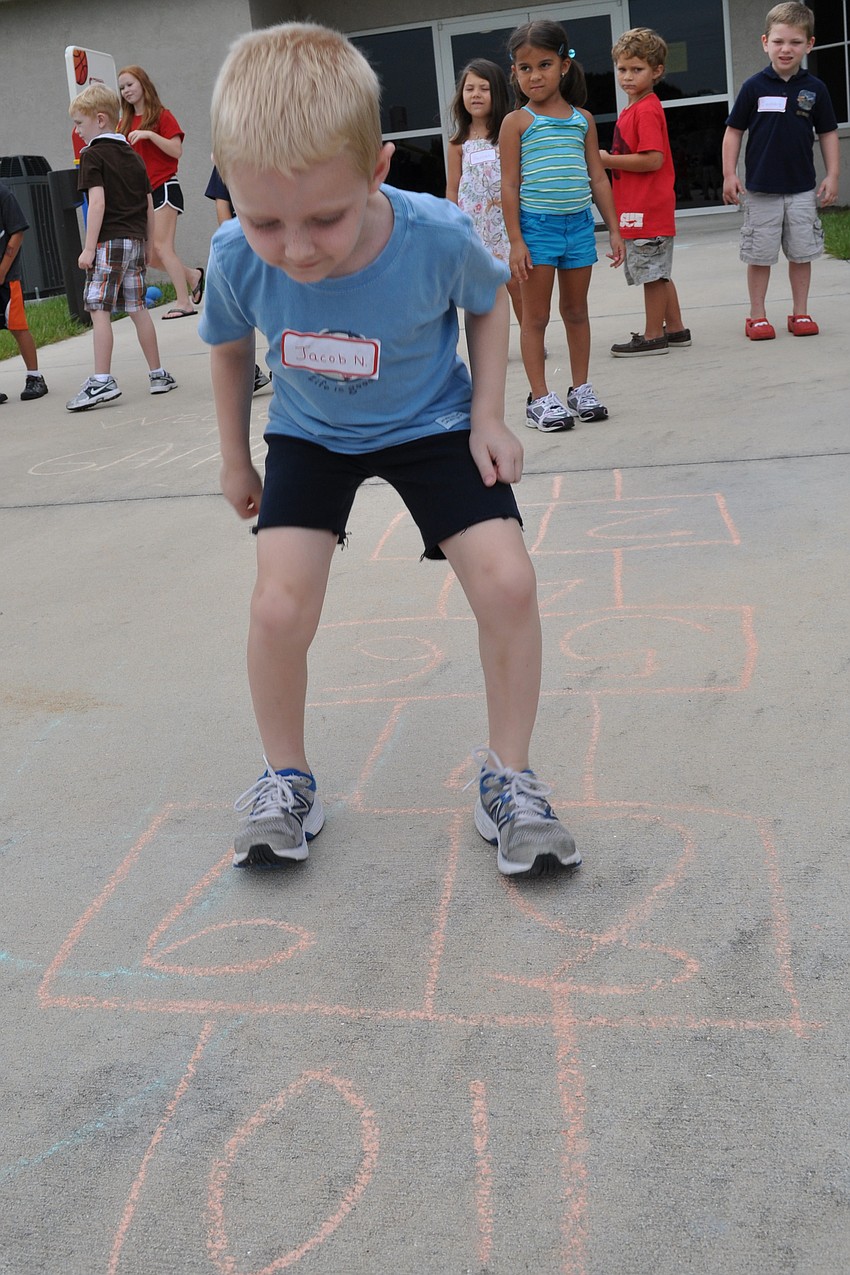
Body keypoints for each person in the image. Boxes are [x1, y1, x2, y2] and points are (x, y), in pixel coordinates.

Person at [199, 22, 581, 879]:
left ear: (377, 169)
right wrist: (234, 455)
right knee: (276, 607)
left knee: (508, 579)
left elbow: (487, 304)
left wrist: (490, 413)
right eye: (266, 221)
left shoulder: (436, 232)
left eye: (325, 219)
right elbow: (227, 347)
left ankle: (509, 777)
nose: (296, 250)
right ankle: (285, 779)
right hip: (310, 432)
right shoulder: (233, 255)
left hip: (432, 422)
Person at [499, 20, 624, 432]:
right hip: (536, 230)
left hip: (578, 227)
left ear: (565, 66)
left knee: (575, 311)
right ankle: (539, 398)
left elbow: (598, 178)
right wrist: (516, 240)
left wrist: (615, 228)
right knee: (534, 318)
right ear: (515, 73)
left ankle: (580, 388)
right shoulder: (516, 122)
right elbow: (510, 184)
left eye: (545, 64)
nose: (535, 75)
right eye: (525, 68)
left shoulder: (582, 120)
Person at [721, 2, 839, 340]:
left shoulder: (816, 89)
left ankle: (800, 312)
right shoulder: (754, 86)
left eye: (795, 42)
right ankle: (757, 315)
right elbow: (733, 132)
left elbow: (828, 132)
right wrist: (730, 174)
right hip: (760, 189)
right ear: (764, 42)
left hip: (802, 188)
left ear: (809, 44)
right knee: (760, 254)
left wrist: (833, 175)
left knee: (802, 254)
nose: (786, 49)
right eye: (778, 41)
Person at [65, 84, 178, 411]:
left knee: (98, 308)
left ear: (100, 120)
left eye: (79, 123)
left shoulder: (92, 155)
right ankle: (158, 374)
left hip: (109, 242)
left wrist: (89, 249)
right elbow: (147, 206)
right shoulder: (133, 155)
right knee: (137, 307)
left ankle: (101, 381)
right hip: (133, 242)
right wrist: (146, 246)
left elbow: (96, 204)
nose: (77, 130)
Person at [599, 27, 691, 357]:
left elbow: (654, 159)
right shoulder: (634, 108)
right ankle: (676, 328)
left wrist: (609, 160)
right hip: (640, 208)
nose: (627, 76)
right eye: (622, 69)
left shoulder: (647, 109)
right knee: (659, 272)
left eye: (636, 70)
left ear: (657, 72)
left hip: (647, 208)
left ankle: (654, 336)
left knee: (652, 276)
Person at [117, 65, 205, 320]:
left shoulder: (162, 117)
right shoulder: (123, 124)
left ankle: (184, 302)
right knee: (151, 255)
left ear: (143, 84)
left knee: (162, 247)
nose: (126, 91)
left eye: (130, 85)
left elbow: (176, 151)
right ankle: (192, 276)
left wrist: (149, 135)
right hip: (142, 195)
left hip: (164, 187)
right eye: (122, 87)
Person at [446, 59, 522, 324]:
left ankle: (530, 337)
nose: (475, 94)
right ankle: (489, 342)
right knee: (481, 287)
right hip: (474, 227)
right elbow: (453, 186)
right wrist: (451, 223)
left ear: (497, 93)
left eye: (483, 88)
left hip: (505, 224)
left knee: (515, 282)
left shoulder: (507, 134)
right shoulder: (458, 143)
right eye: (469, 89)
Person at [204, 164, 270, 393]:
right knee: (242, 313)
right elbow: (222, 203)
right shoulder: (228, 157)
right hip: (245, 242)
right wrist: (233, 238)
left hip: (273, 240)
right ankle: (249, 371)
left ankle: (283, 361)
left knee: (273, 307)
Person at [0, 180, 48, 401]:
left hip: (6, 279)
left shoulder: (3, 193)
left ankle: (35, 377)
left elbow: (17, 232)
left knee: (17, 327)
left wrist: (3, 270)